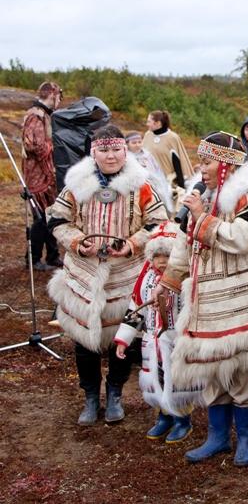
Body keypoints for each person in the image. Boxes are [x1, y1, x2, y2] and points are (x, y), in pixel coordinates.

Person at [153, 131, 248, 466]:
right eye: (200, 161)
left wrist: (201, 217)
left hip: (247, 304)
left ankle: (247, 439)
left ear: (226, 163)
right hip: (210, 305)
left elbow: (243, 238)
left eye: (208, 161)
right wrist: (168, 282)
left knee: (245, 372)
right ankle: (217, 437)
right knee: (214, 372)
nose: (202, 168)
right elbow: (187, 245)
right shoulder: (202, 195)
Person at [46, 124, 169, 425]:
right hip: (83, 274)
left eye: (116, 149)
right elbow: (57, 219)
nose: (111, 155)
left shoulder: (141, 185)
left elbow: (157, 222)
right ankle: (90, 395)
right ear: (93, 152)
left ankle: (114, 392)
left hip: (125, 276)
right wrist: (76, 240)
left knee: (121, 339)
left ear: (125, 151)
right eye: (104, 150)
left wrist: (131, 244)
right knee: (84, 339)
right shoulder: (75, 184)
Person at [114, 221, 201, 443]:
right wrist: (124, 339)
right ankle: (164, 416)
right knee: (158, 377)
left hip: (177, 339)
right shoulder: (146, 278)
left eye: (167, 255)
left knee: (178, 380)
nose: (161, 261)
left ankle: (182, 419)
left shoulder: (185, 278)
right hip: (152, 340)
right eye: (157, 256)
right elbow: (136, 307)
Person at [21, 81, 63, 271]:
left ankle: (53, 256)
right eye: (59, 97)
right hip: (37, 176)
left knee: (52, 214)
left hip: (48, 174)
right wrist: (53, 147)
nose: (60, 101)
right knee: (40, 217)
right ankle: (33, 258)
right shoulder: (35, 116)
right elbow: (32, 144)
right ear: (52, 95)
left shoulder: (45, 114)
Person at [141, 110, 194, 190]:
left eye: (149, 121)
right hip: (148, 183)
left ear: (158, 123)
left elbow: (177, 164)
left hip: (167, 185)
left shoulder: (172, 138)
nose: (147, 124)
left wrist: (181, 187)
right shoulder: (147, 135)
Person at [126, 131, 174, 212]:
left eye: (139, 142)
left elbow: (157, 170)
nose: (137, 145)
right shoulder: (126, 157)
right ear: (127, 144)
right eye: (134, 143)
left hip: (153, 185)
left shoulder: (147, 155)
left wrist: (161, 183)